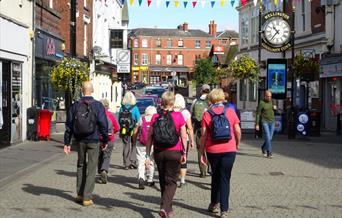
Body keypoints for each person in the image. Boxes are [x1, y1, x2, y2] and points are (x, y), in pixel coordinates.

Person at [63, 81, 109, 206]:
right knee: (92, 168)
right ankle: (87, 197)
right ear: (92, 90)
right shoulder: (98, 106)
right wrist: (105, 140)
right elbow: (104, 124)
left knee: (80, 166)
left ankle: (79, 194)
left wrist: (67, 142)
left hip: (80, 140)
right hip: (94, 140)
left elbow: (69, 125)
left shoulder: (75, 105)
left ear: (82, 90)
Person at [199, 88, 241, 218]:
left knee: (215, 176)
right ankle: (224, 209)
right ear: (223, 98)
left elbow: (204, 136)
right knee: (225, 178)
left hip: (213, 150)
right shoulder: (230, 111)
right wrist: (237, 144)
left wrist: (201, 153)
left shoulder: (207, 114)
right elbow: (237, 131)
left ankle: (213, 204)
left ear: (211, 99)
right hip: (229, 149)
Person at [145, 91, 188, 218]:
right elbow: (184, 136)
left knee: (163, 179)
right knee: (172, 181)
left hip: (159, 152)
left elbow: (149, 138)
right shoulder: (179, 116)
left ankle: (166, 208)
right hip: (174, 151)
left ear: (161, 102)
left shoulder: (155, 117)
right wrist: (184, 152)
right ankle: (164, 207)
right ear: (172, 103)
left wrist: (148, 155)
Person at [134, 106, 157, 189]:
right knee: (151, 161)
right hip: (152, 144)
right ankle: (150, 180)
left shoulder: (142, 119)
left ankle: (141, 177)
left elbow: (135, 131)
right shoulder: (155, 119)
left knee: (141, 161)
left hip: (141, 143)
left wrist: (134, 141)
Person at [174, 93, 194, 187]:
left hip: (172, 139)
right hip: (183, 139)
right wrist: (192, 140)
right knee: (183, 159)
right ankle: (182, 180)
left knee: (174, 160)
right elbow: (190, 128)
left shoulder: (170, 111)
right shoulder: (185, 112)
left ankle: (174, 178)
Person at [97, 99, 119, 184]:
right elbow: (117, 128)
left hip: (99, 139)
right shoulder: (110, 115)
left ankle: (100, 173)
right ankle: (104, 170)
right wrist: (112, 133)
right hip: (109, 139)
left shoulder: (97, 115)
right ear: (107, 106)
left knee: (99, 157)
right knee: (107, 156)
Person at [191, 84, 210, 178]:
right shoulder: (212, 101)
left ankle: (202, 172)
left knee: (200, 150)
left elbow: (191, 115)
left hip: (199, 129)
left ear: (201, 91)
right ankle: (210, 169)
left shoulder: (195, 101)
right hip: (210, 129)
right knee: (210, 148)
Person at [119, 91, 141, 169]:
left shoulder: (122, 108)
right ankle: (133, 161)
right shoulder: (134, 108)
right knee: (134, 144)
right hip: (133, 129)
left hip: (124, 129)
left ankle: (126, 163)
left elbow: (119, 119)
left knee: (126, 145)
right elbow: (139, 119)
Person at [255, 90, 275, 158]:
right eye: (268, 96)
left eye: (270, 96)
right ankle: (269, 152)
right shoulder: (262, 103)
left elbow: (274, 109)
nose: (269, 98)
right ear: (265, 96)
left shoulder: (272, 101)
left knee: (270, 138)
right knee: (268, 137)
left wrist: (275, 108)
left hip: (272, 121)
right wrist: (257, 124)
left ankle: (263, 147)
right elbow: (258, 114)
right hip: (265, 121)